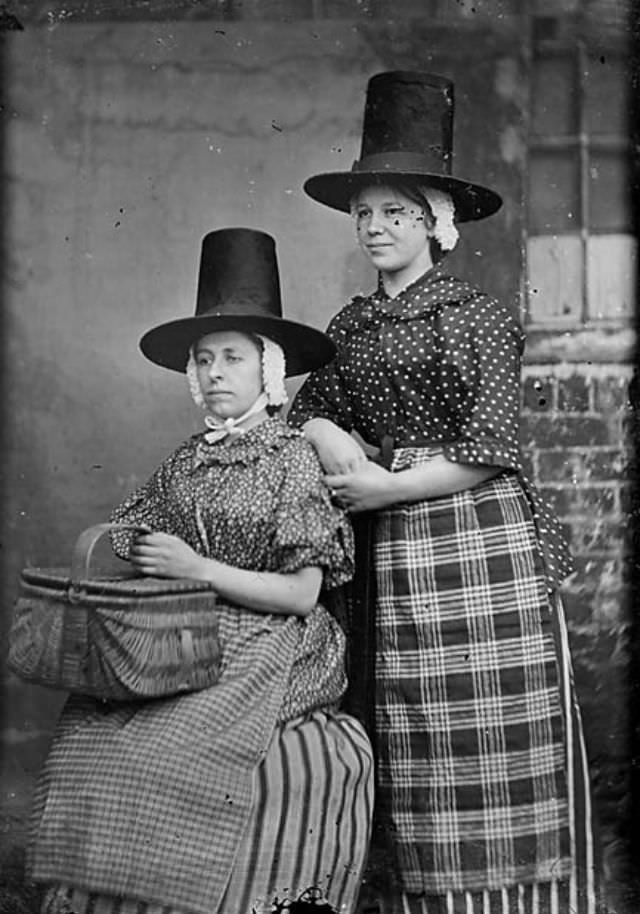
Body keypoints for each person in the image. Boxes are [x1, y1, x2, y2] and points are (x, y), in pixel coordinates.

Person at [288, 72, 599, 914]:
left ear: (435, 223)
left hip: (476, 543)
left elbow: (494, 448)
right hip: (393, 556)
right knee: (409, 729)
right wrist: (332, 440)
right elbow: (310, 408)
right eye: (365, 214)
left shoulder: (477, 315)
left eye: (396, 211)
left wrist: (380, 488)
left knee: (488, 733)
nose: (377, 227)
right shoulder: (350, 325)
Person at [27, 228, 374, 914]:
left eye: (233, 359)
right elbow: (129, 533)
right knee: (90, 733)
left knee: (170, 746)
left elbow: (304, 595)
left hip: (275, 640)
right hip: (188, 628)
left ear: (267, 372)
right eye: (205, 359)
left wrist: (195, 567)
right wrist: (131, 551)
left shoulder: (290, 460)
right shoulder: (186, 461)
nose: (216, 373)